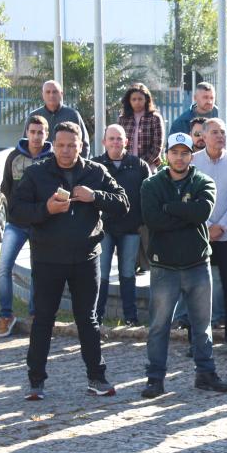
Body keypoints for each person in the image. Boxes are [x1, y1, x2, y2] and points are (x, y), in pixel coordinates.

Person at [10, 122, 129, 401]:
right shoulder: (37, 173)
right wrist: (45, 209)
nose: (66, 151)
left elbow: (123, 203)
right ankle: (35, 381)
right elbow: (16, 210)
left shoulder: (95, 172)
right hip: (48, 259)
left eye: (71, 145)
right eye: (61, 145)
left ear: (81, 146)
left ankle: (96, 378)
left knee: (88, 320)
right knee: (43, 320)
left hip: (86, 258)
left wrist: (95, 196)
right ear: (54, 144)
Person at [139, 132, 227, 398]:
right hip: (164, 267)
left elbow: (202, 213)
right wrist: (185, 214)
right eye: (174, 152)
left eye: (185, 152)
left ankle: (205, 373)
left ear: (192, 155)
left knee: (202, 325)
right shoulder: (151, 184)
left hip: (197, 265)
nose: (179, 157)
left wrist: (170, 208)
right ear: (166, 154)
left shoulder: (204, 181)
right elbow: (153, 220)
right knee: (159, 326)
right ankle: (155, 378)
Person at [191, 118, 227, 356]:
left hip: (226, 236)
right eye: (214, 132)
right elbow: (190, 198)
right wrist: (205, 226)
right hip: (198, 234)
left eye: (223, 132)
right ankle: (197, 341)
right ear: (203, 136)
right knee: (196, 288)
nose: (220, 136)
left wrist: (221, 226)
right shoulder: (193, 162)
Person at [0, 115, 53, 337]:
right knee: (4, 267)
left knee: (37, 271)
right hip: (16, 223)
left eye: (41, 132)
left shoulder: (52, 159)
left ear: (46, 134)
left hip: (41, 223)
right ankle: (6, 314)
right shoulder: (14, 157)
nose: (36, 136)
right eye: (33, 131)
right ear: (26, 132)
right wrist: (16, 211)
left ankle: (35, 313)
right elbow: (6, 188)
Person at [93, 125, 149, 326]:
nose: (116, 142)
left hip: (131, 229)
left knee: (128, 274)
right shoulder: (95, 165)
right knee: (102, 274)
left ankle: (130, 318)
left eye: (119, 138)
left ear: (126, 141)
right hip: (104, 229)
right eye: (112, 138)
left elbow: (147, 195)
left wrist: (142, 222)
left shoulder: (139, 165)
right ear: (104, 142)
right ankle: (96, 318)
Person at [169, 82, 227, 155]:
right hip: (190, 164)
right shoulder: (182, 122)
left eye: (212, 98)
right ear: (195, 98)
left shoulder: (225, 120)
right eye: (205, 97)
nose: (209, 101)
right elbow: (172, 151)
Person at [24, 80, 90, 157]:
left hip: (67, 166)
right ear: (42, 95)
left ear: (61, 94)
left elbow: (84, 144)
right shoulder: (34, 115)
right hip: (40, 166)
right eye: (48, 92)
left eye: (55, 92)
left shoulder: (73, 115)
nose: (51, 95)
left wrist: (80, 166)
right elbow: (25, 143)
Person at [117, 83, 164, 172]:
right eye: (133, 99)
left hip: (148, 167)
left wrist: (141, 164)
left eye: (140, 99)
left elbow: (157, 146)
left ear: (146, 100)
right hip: (126, 167)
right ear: (129, 101)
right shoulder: (123, 119)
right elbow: (119, 143)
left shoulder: (155, 118)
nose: (137, 102)